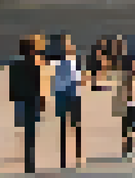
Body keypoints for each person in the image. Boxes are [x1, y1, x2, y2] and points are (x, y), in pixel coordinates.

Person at [9, 35, 49, 174]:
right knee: (30, 132)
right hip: (32, 100)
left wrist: (14, 99)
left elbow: (12, 84)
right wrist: (42, 101)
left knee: (27, 132)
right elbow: (40, 85)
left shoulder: (15, 64)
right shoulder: (36, 65)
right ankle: (30, 162)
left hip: (21, 100)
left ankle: (28, 161)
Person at [52, 35, 84, 168]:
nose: (67, 46)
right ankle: (63, 156)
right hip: (63, 94)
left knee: (76, 125)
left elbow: (79, 76)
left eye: (68, 43)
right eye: (65, 43)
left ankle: (78, 154)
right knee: (63, 126)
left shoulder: (76, 59)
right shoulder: (56, 60)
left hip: (73, 94)